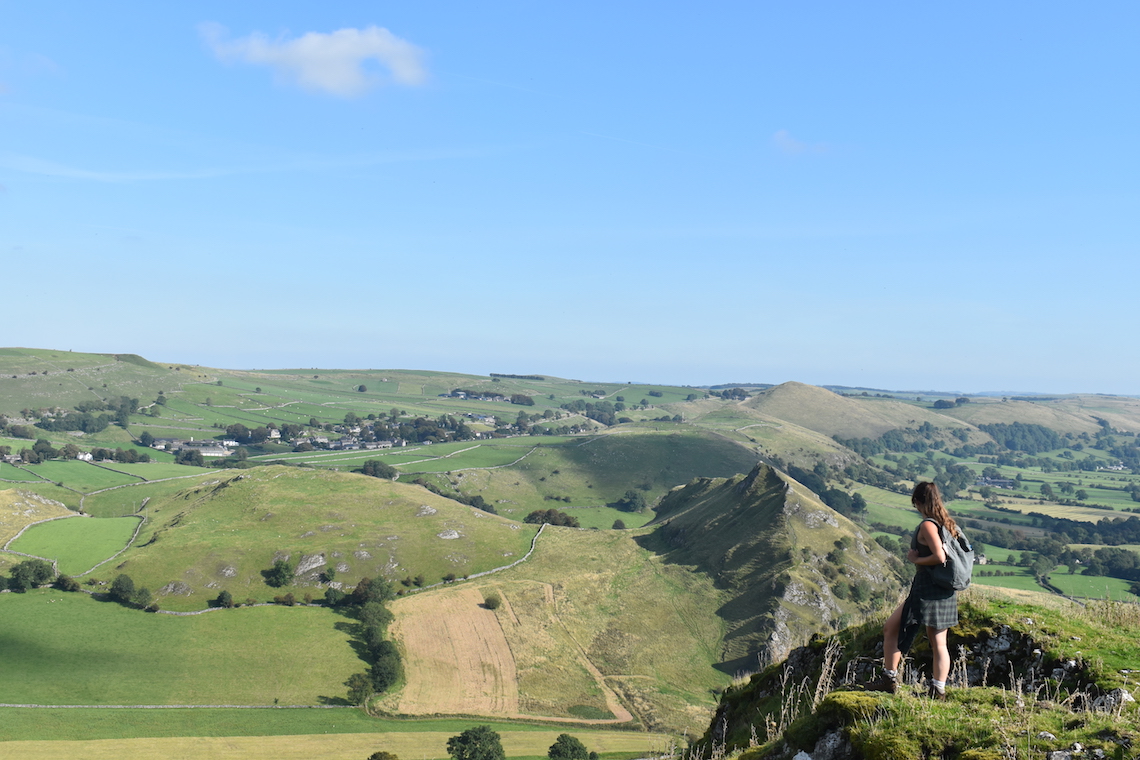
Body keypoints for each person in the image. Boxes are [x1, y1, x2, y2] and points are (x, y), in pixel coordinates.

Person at [868, 481, 960, 699]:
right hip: (944, 590)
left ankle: (889, 679)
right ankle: (938, 690)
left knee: (892, 628)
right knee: (939, 643)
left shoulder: (928, 525)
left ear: (918, 502)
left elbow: (940, 557)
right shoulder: (946, 523)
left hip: (926, 590)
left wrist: (916, 558)